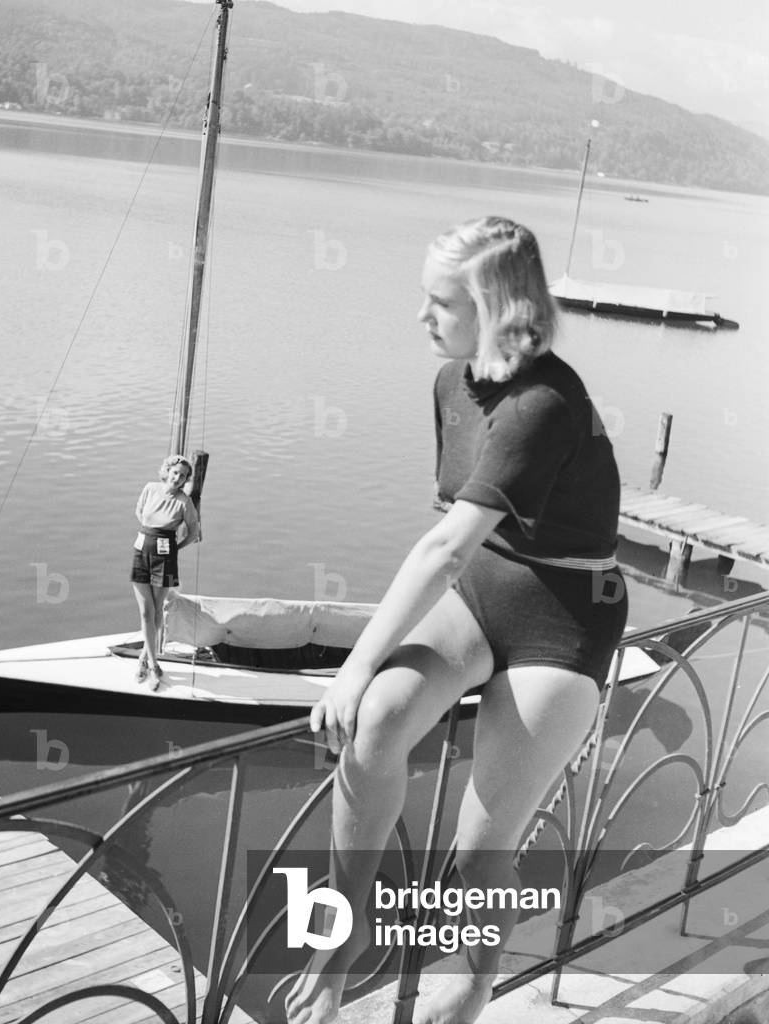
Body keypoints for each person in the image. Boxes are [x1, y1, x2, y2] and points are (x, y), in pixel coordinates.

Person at [285, 216, 628, 1024]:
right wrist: (373, 680)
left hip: (563, 619)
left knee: (480, 849)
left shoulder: (545, 401)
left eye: (440, 301)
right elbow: (457, 528)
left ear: (495, 306)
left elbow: (441, 545)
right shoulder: (450, 383)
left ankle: (472, 987)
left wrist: (354, 661)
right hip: (482, 591)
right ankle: (339, 936)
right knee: (375, 724)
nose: (421, 316)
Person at [131, 455, 200, 689]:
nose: (177, 478)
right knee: (145, 612)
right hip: (142, 552)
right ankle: (148, 657)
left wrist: (175, 547)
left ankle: (149, 662)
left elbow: (193, 531)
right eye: (175, 472)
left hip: (165, 557)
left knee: (156, 610)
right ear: (167, 471)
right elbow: (140, 512)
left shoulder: (184, 502)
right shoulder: (150, 489)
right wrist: (151, 534)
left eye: (182, 475)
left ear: (185, 480)